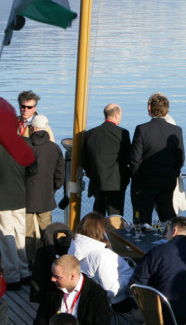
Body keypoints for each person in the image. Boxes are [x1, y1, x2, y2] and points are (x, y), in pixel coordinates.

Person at [129, 216, 186, 324]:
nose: (166, 235)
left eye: (167, 231)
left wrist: (133, 302)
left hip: (163, 315)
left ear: (174, 231)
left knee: (134, 313)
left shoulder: (157, 252)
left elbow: (137, 283)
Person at [128, 93, 184, 225]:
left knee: (141, 217)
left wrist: (137, 177)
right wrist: (173, 174)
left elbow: (135, 159)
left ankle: (141, 237)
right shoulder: (176, 130)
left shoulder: (142, 129)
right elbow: (180, 159)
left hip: (144, 183)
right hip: (167, 182)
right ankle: (173, 234)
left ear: (150, 108)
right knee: (168, 215)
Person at [0, 99, 38, 291]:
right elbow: (33, 169)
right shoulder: (24, 142)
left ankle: (12, 277)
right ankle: (24, 272)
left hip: (2, 200)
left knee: (6, 238)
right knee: (19, 236)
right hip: (20, 196)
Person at [67, 213, 132, 308]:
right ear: (102, 230)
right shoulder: (102, 255)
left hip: (88, 299)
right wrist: (131, 279)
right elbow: (111, 290)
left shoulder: (74, 248)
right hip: (119, 301)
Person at [25, 114, 64, 264]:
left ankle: (30, 261)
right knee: (46, 231)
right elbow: (60, 174)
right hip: (46, 195)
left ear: (33, 128)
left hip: (26, 196)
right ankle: (47, 260)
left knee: (28, 233)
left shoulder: (26, 147)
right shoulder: (55, 148)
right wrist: (53, 188)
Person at [80, 104, 131, 216]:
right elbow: (127, 158)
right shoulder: (122, 133)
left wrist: (92, 174)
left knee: (98, 214)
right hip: (116, 182)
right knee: (115, 216)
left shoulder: (90, 134)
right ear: (116, 116)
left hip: (97, 181)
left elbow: (84, 160)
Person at [34, 255, 110, 325]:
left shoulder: (97, 295)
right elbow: (41, 319)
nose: (52, 279)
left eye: (57, 277)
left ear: (72, 276)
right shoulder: (51, 288)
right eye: (52, 274)